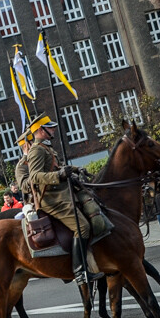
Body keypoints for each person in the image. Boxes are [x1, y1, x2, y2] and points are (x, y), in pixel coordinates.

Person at [25, 116, 110, 284]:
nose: (54, 130)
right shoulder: (37, 150)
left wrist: (77, 169)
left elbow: (59, 166)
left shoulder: (47, 148)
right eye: (51, 128)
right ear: (41, 131)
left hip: (62, 194)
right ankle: (80, 272)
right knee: (83, 227)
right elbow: (34, 176)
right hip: (52, 200)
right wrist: (59, 175)